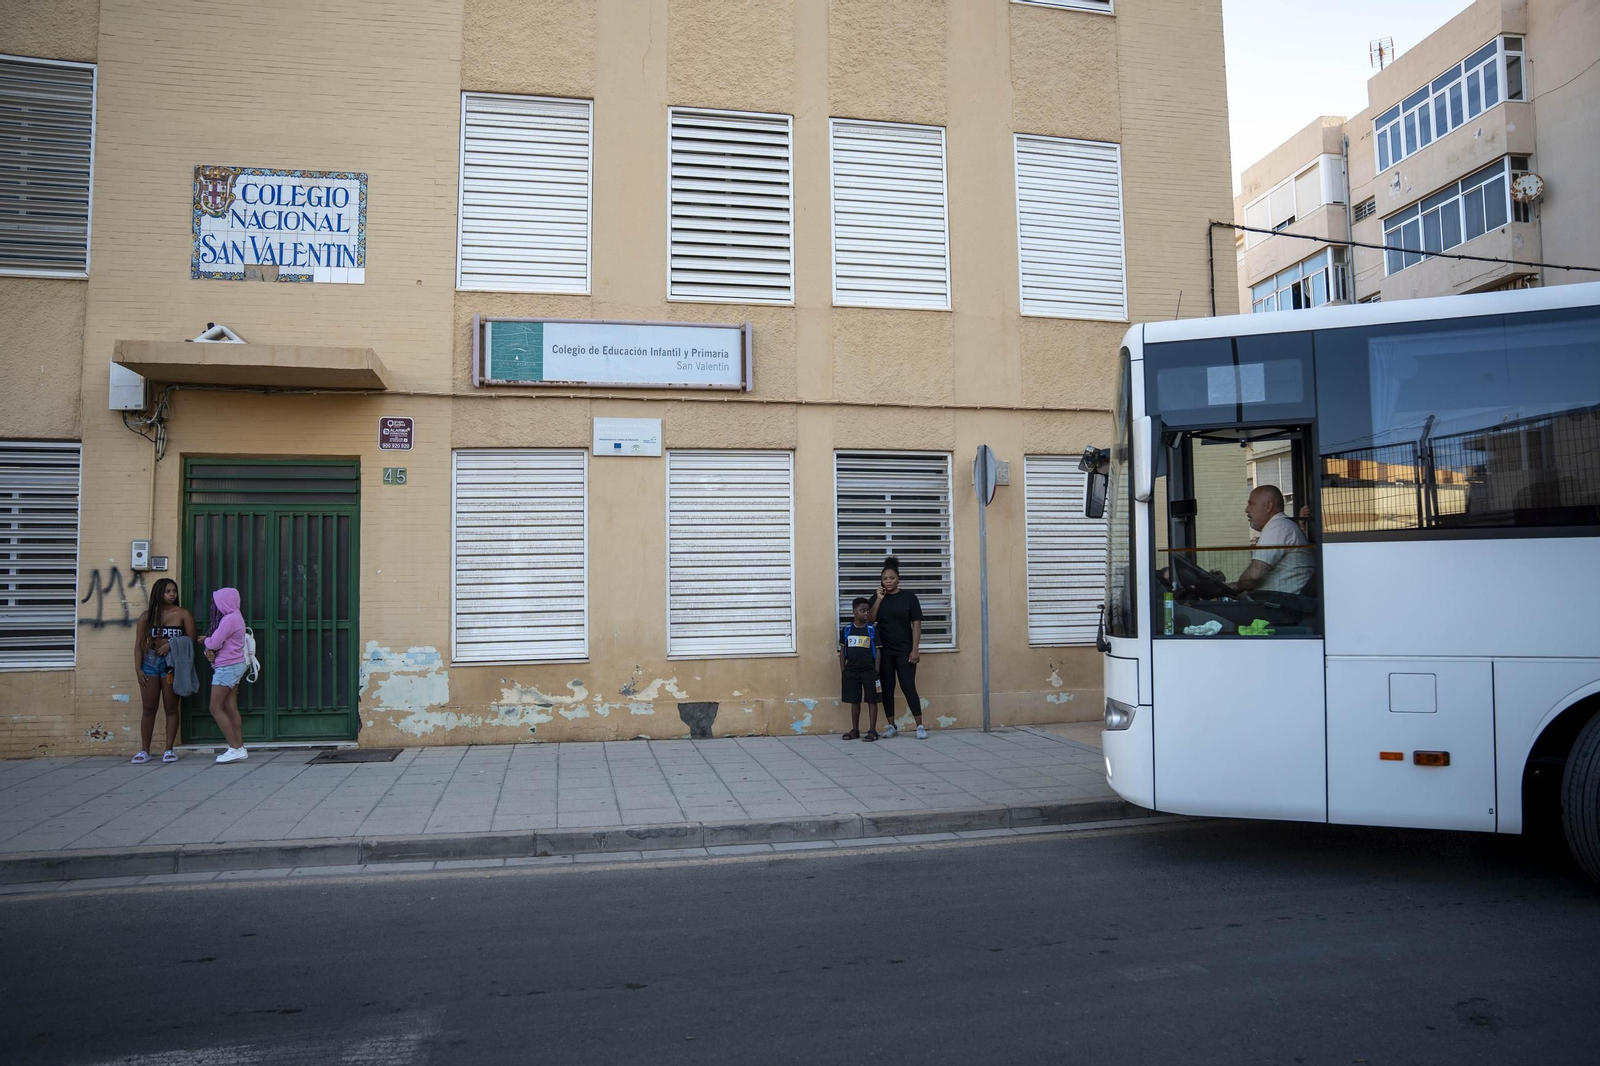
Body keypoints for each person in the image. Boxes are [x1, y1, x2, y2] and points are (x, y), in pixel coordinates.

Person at [130, 578, 195, 765]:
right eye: (168, 591)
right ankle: (144, 750)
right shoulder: (146, 616)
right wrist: (138, 669)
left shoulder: (183, 614)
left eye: (174, 591)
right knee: (149, 707)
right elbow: (139, 645)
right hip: (149, 663)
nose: (172, 594)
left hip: (171, 664)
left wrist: (171, 644)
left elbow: (190, 641)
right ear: (158, 593)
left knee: (171, 707)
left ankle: (169, 749)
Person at [867, 555, 928, 740]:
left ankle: (920, 726)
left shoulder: (909, 597)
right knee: (887, 687)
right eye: (885, 579)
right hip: (884, 651)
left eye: (892, 578)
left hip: (904, 650)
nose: (888, 581)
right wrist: (878, 599)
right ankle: (892, 725)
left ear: (898, 578)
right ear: (881, 581)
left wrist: (915, 649)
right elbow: (870, 621)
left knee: (908, 686)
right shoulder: (878, 597)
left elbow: (916, 624)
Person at [1231, 485, 1315, 596]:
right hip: (1280, 603)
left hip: (1284, 607)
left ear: (1268, 507)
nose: (1247, 509)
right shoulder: (1283, 525)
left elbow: (1253, 575)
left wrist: (1234, 587)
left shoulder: (1278, 526)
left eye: (1251, 504)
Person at [203, 587, 249, 763]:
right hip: (235, 665)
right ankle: (240, 747)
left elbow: (214, 641)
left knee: (215, 707)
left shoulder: (229, 619)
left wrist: (205, 640)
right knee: (231, 707)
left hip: (227, 668)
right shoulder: (237, 617)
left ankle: (234, 747)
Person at [839, 596, 882, 742]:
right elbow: (842, 651)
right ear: (854, 612)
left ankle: (872, 730)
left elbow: (878, 651)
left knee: (872, 699)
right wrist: (843, 670)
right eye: (862, 610)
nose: (866, 613)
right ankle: (855, 729)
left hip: (869, 671)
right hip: (851, 670)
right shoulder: (846, 630)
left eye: (868, 611)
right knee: (854, 700)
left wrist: (876, 670)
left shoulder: (872, 630)